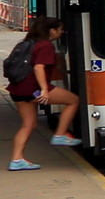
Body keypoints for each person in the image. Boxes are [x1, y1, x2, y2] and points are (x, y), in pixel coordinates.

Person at [9, 17, 81, 170]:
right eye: (60, 30)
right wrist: (44, 90)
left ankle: (16, 160)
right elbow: (38, 68)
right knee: (73, 101)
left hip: (17, 89)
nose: (61, 33)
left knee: (28, 124)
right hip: (33, 89)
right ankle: (60, 135)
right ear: (52, 30)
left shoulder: (27, 43)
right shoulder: (45, 45)